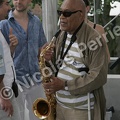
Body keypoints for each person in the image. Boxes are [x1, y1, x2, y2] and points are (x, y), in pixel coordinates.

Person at [42, 0, 109, 120]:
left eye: (67, 13)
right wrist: (48, 60)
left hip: (81, 110)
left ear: (80, 15)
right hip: (60, 105)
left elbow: (99, 76)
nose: (61, 17)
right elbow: (58, 67)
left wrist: (65, 85)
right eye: (60, 12)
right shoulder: (61, 35)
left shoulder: (94, 39)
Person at [0, 0, 47, 120]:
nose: (18, 1)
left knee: (40, 115)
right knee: (18, 116)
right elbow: (4, 59)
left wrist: (46, 53)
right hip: (16, 82)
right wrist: (12, 47)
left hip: (36, 77)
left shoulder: (36, 21)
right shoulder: (4, 24)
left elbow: (41, 47)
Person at [0, 0, 21, 120]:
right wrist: (3, 96)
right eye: (6, 4)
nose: (9, 8)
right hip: (4, 93)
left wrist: (11, 49)